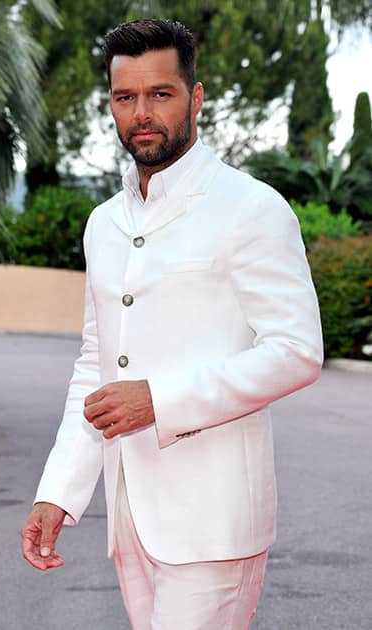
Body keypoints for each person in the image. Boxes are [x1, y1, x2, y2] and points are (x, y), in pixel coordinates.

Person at [21, 18, 323, 629]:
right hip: (130, 513)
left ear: (196, 97)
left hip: (215, 521)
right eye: (124, 97)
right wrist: (59, 491)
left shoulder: (252, 208)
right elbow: (95, 364)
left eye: (160, 94)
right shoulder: (103, 223)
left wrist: (160, 400)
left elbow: (297, 350)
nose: (141, 114)